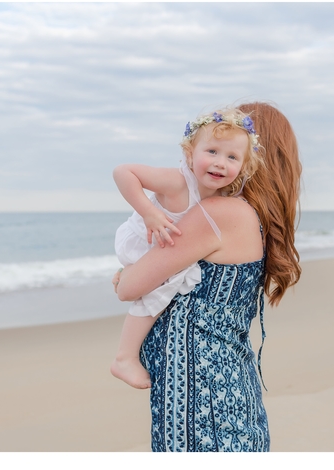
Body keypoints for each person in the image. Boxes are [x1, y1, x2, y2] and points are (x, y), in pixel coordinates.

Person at [113, 102, 301, 452]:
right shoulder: (249, 216)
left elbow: (129, 287)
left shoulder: (218, 213)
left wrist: (128, 272)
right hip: (228, 385)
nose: (220, 160)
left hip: (198, 395)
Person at [110, 107, 264, 389]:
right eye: (212, 152)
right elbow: (123, 172)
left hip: (164, 245)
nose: (220, 163)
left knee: (175, 282)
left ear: (243, 166)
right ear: (190, 153)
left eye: (232, 157)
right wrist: (148, 212)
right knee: (161, 291)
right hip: (143, 239)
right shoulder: (178, 182)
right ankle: (124, 357)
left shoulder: (223, 196)